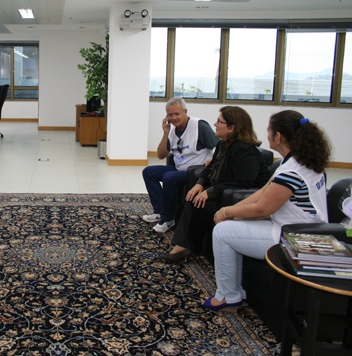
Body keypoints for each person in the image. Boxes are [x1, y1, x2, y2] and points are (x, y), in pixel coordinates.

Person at [205, 110, 331, 312]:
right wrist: (230, 211)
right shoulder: (295, 161)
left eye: (268, 130)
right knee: (230, 225)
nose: (267, 134)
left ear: (278, 136)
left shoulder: (292, 171)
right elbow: (264, 191)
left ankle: (227, 296)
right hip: (297, 229)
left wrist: (227, 212)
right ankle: (235, 291)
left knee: (221, 232)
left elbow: (262, 208)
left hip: (294, 237)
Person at [160, 106, 271, 263]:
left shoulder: (245, 151)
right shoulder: (223, 145)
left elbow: (244, 182)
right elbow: (210, 168)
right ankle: (186, 246)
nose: (215, 124)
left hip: (238, 199)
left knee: (197, 203)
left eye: (220, 121)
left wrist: (210, 192)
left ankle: (185, 247)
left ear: (232, 127)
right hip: (223, 193)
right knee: (192, 198)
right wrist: (199, 184)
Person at [142, 97, 219, 233]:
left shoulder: (199, 126)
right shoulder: (172, 130)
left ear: (185, 112)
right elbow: (160, 155)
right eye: (170, 115)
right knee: (148, 172)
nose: (174, 118)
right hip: (179, 168)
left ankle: (168, 219)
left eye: (177, 114)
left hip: (196, 171)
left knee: (169, 177)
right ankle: (159, 211)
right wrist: (165, 133)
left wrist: (212, 160)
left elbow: (219, 147)